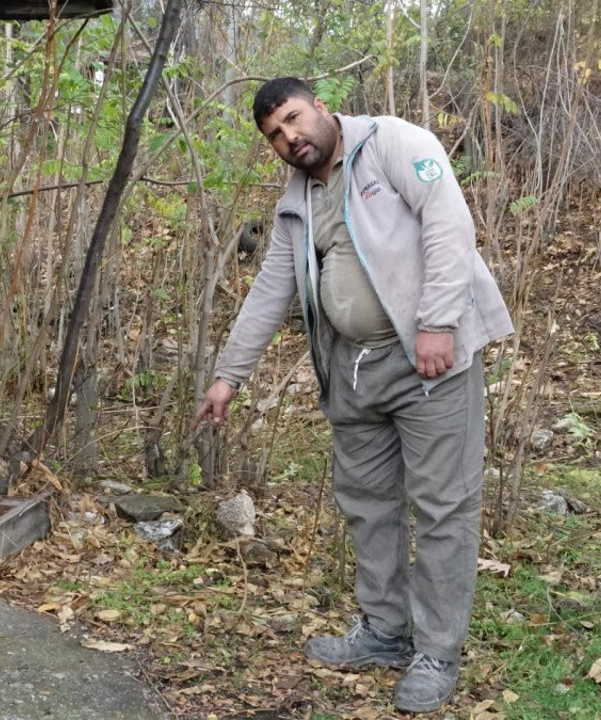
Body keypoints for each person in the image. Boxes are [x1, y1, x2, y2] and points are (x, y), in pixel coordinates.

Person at [193, 78, 513, 713]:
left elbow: (449, 225)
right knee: (368, 503)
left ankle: (437, 652)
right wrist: (230, 375)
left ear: (318, 104)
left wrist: (438, 323)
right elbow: (271, 287)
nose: (290, 138)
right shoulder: (298, 198)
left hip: (429, 359)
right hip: (352, 370)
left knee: (443, 507)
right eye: (276, 135)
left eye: (292, 119)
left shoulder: (393, 142)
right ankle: (385, 632)